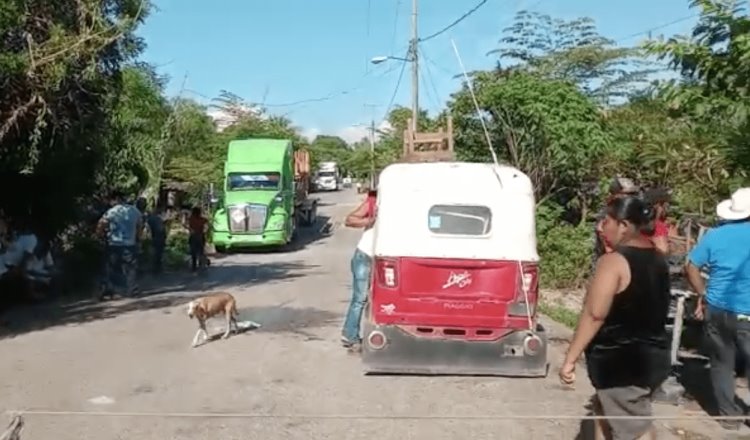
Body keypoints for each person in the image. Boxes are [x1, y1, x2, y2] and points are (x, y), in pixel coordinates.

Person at [561, 196, 671, 440]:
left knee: (634, 428)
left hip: (622, 362)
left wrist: (571, 357)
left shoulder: (613, 262)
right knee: (606, 412)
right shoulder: (659, 259)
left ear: (623, 225)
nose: (601, 227)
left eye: (607, 220)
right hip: (654, 357)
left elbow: (594, 313)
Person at [685, 187, 750, 432]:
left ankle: (728, 417)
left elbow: (691, 266)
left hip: (717, 307)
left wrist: (702, 293)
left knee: (722, 362)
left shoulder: (715, 235)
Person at [340, 188, 377, 350]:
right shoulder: (375, 202)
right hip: (365, 255)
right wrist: (370, 222)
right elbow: (349, 220)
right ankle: (350, 335)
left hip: (385, 257)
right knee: (360, 298)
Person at [97, 190, 143, 298]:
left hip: (114, 244)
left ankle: (111, 290)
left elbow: (101, 224)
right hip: (130, 244)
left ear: (116, 199)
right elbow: (139, 227)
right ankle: (130, 290)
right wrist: (138, 240)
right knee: (130, 268)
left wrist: (102, 236)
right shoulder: (135, 211)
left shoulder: (112, 212)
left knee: (112, 267)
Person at [592, 177, 641, 268]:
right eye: (627, 194)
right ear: (616, 195)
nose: (631, 197)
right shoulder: (608, 214)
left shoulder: (633, 212)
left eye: (633, 194)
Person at [137, 198, 167, 274]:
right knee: (158, 253)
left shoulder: (149, 218)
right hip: (161, 236)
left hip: (156, 237)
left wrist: (145, 237)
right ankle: (158, 269)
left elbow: (146, 228)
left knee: (154, 253)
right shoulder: (157, 218)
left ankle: (154, 269)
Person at [643, 187, 671, 255]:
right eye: (666, 204)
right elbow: (664, 251)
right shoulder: (658, 226)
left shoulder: (636, 219)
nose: (667, 207)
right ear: (659, 205)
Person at [187, 207, 209, 273]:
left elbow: (185, 224)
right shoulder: (203, 219)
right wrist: (204, 231)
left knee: (193, 251)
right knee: (201, 251)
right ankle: (201, 264)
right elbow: (206, 227)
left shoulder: (191, 219)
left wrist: (190, 230)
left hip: (193, 236)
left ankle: (194, 266)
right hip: (200, 236)